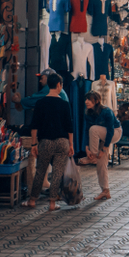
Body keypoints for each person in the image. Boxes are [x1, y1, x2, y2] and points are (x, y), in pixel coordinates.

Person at [25, 73, 73, 211]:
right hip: (62, 142)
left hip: (45, 142)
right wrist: (71, 144)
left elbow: (34, 126)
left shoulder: (40, 103)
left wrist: (34, 144)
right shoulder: (64, 104)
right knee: (57, 172)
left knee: (40, 171)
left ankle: (32, 200)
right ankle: (52, 204)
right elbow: (69, 126)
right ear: (59, 85)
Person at [83, 91, 120, 201]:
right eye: (86, 99)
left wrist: (104, 148)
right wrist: (86, 148)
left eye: (89, 99)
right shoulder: (88, 113)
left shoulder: (106, 111)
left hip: (115, 133)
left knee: (94, 129)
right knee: (101, 163)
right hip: (100, 135)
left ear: (97, 101)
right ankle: (105, 190)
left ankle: (93, 157)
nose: (86, 102)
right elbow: (86, 130)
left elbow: (110, 130)